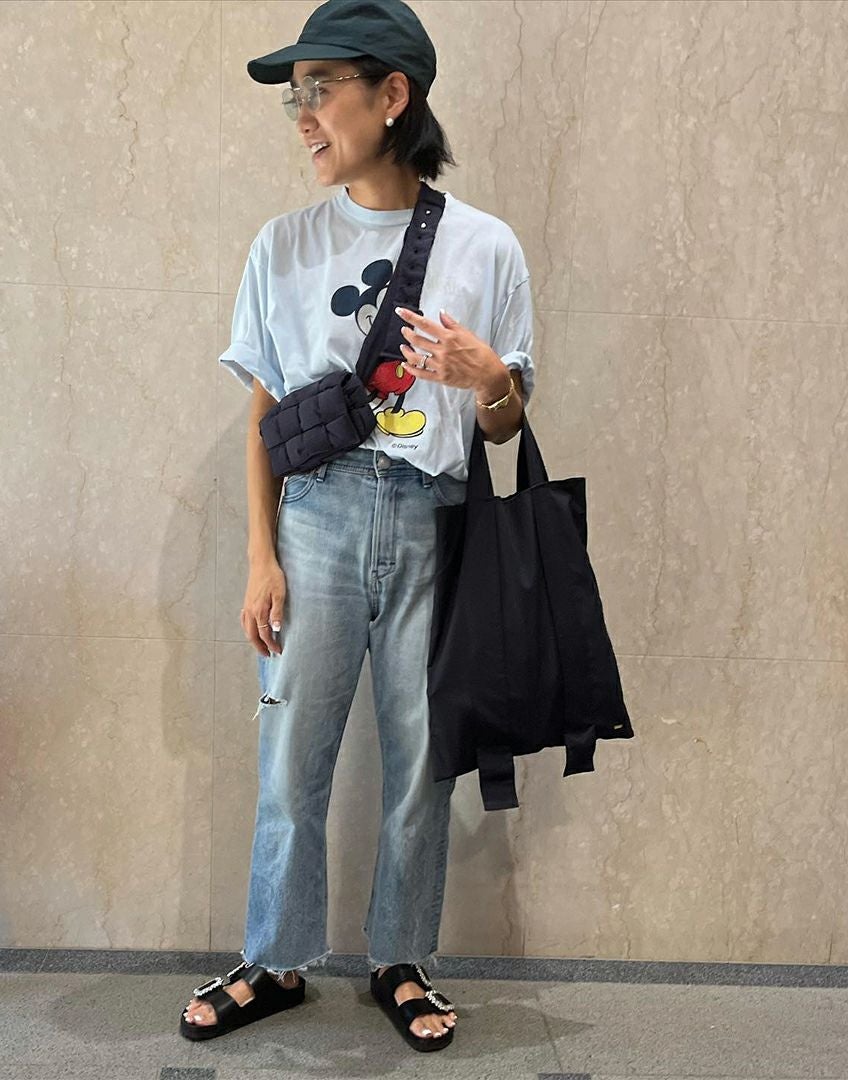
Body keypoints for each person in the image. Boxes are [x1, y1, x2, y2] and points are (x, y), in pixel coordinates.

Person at [179, 0, 535, 1053]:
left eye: (321, 87)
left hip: (436, 518)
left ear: (393, 95)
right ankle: (275, 958)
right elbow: (266, 417)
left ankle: (401, 958)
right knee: (292, 753)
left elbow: (505, 425)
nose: (303, 114)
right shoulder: (283, 246)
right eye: (296, 94)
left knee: (422, 759)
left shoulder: (486, 247)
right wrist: (260, 558)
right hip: (317, 519)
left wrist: (488, 377)